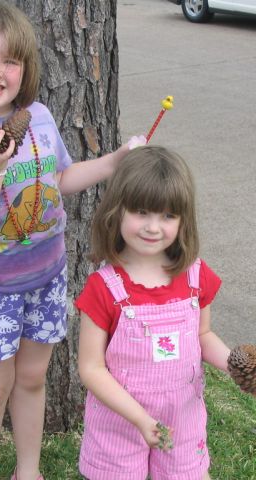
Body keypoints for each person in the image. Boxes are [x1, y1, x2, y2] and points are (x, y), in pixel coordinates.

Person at [0, 2, 132, 480]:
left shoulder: (37, 117)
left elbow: (59, 176)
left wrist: (112, 162)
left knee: (32, 379)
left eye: (10, 60)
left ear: (26, 70)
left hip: (46, 277)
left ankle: (29, 471)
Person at [76, 145, 232, 480]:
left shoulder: (196, 275)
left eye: (167, 216)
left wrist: (234, 364)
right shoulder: (103, 288)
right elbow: (91, 368)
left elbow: (203, 335)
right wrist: (140, 418)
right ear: (117, 211)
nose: (153, 227)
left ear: (182, 220)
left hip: (183, 417)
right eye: (142, 212)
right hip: (119, 419)